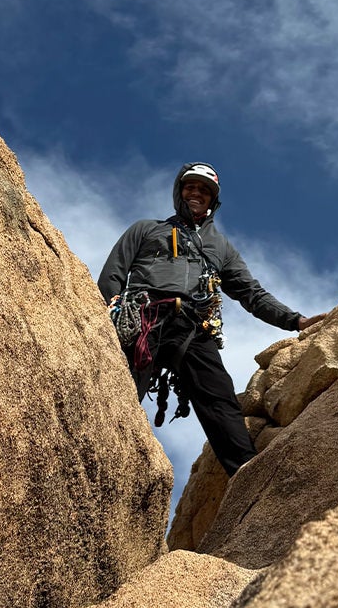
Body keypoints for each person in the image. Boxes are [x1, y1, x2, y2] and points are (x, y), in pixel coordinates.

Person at [98, 162, 324, 476]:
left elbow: (251, 293)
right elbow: (113, 274)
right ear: (179, 192)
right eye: (190, 187)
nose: (196, 193)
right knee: (121, 385)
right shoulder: (146, 229)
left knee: (220, 400)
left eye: (204, 190)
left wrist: (295, 320)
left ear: (212, 200)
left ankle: (246, 474)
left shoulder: (220, 247)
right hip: (143, 315)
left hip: (193, 326)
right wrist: (111, 312)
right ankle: (100, 450)